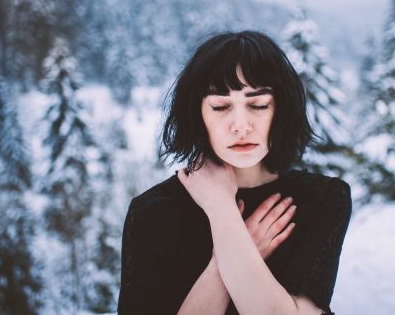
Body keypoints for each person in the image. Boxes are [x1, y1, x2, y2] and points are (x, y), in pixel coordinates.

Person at [117, 30, 352, 314]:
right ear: (197, 114)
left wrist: (223, 213)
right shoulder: (152, 213)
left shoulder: (323, 199)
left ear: (281, 110)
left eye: (258, 105)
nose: (241, 125)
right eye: (220, 106)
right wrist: (231, 249)